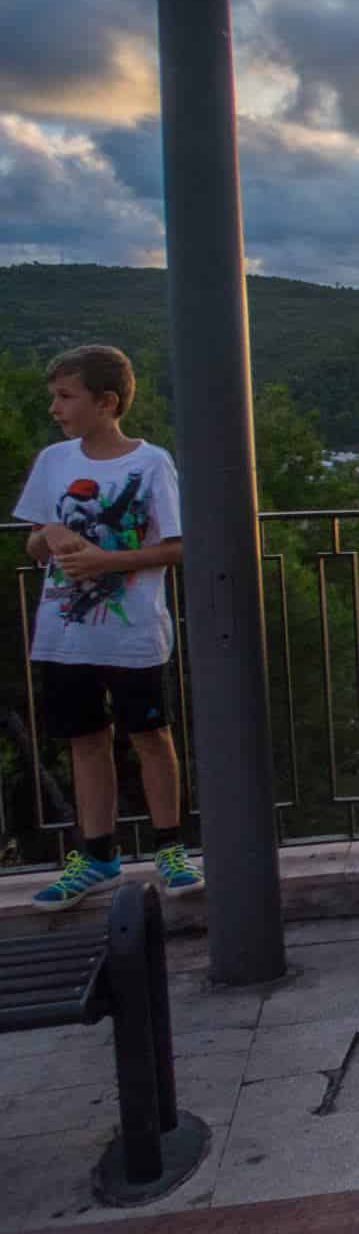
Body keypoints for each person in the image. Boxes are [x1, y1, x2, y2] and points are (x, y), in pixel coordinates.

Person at [14, 345, 202, 909]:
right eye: (54, 396)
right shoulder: (54, 462)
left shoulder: (150, 464)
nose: (54, 408)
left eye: (65, 397)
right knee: (86, 742)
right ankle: (98, 857)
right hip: (65, 635)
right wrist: (49, 537)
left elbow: (177, 546)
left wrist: (103, 562)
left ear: (107, 402)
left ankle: (170, 849)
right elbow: (32, 541)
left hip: (133, 634)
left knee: (150, 737)